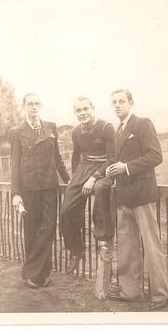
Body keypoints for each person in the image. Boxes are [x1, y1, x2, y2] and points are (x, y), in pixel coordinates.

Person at [105, 90, 168, 310]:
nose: (117, 105)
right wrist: (113, 170)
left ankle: (160, 294)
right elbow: (118, 161)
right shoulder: (117, 131)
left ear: (131, 103)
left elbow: (155, 155)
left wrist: (127, 167)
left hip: (142, 193)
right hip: (124, 194)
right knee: (127, 245)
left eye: (121, 101)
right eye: (113, 102)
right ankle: (130, 292)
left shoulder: (142, 123)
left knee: (151, 245)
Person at [10, 93, 70, 288]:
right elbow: (14, 163)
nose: (34, 107)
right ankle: (40, 276)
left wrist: (69, 181)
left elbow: (57, 158)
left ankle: (30, 270)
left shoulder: (51, 126)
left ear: (41, 106)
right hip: (28, 187)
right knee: (31, 230)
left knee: (48, 226)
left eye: (37, 103)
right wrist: (16, 193)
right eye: (30, 104)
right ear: (24, 107)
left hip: (49, 185)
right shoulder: (17, 131)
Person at [59, 97, 116, 276]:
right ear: (75, 113)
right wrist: (74, 178)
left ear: (93, 108)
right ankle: (76, 250)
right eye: (78, 110)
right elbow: (76, 156)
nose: (83, 113)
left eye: (86, 109)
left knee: (100, 190)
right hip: (84, 170)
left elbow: (112, 158)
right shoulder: (75, 132)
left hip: (104, 169)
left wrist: (94, 177)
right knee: (66, 211)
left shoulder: (107, 127)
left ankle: (103, 242)